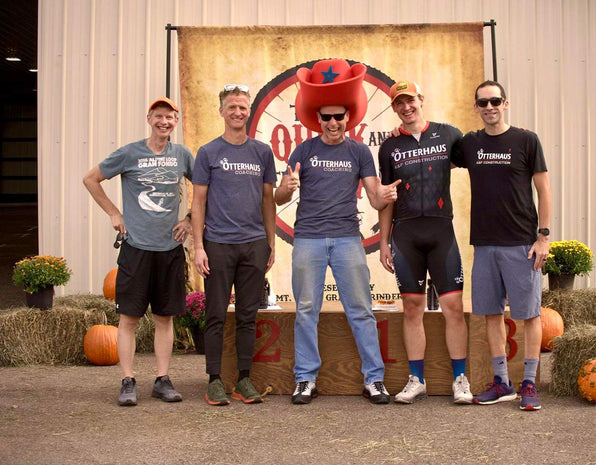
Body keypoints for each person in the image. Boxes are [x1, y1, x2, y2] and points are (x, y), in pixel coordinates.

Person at [274, 59, 400, 405]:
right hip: (308, 239)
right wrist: (287, 186)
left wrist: (386, 195)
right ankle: (305, 379)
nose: (332, 122)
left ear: (349, 117)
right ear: (318, 119)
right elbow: (278, 197)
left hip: (347, 239)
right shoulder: (303, 151)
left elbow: (376, 200)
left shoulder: (360, 152)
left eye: (338, 116)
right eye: (326, 117)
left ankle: (373, 380)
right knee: (306, 310)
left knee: (361, 310)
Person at [83, 97, 194, 406]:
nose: (164, 121)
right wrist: (113, 213)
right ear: (149, 119)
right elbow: (90, 179)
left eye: (170, 117)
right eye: (158, 116)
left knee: (164, 318)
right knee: (129, 320)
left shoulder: (183, 155)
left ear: (176, 121)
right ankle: (128, 380)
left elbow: (203, 188)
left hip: (169, 249)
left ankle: (162, 380)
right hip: (136, 249)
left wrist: (189, 219)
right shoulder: (129, 153)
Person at [451, 80, 552, 411]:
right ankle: (502, 383)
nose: (490, 107)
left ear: (505, 103)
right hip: (484, 244)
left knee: (530, 314)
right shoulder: (469, 144)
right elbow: (439, 156)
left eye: (495, 101)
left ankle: (529, 384)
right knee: (491, 314)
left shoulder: (526, 140)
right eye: (483, 103)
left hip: (522, 243)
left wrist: (543, 236)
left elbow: (544, 189)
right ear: (476, 108)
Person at [378, 81, 471, 404]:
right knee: (412, 308)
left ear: (422, 100)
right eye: (399, 103)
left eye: (411, 100)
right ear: (394, 108)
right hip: (406, 235)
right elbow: (387, 197)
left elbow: (479, 156)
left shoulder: (449, 135)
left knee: (453, 308)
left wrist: (517, 137)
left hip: (440, 231)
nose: (406, 107)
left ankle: (460, 377)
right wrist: (384, 241)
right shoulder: (389, 147)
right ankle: (416, 379)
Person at [191, 84, 276, 405]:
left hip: (253, 245)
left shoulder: (262, 152)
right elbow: (198, 202)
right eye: (232, 107)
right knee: (214, 314)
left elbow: (268, 200)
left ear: (249, 111)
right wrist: (199, 246)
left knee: (247, 315)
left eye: (243, 107)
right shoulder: (208, 153)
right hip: (217, 245)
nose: (238, 112)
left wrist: (270, 242)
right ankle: (214, 379)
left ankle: (243, 379)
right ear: (222, 112)